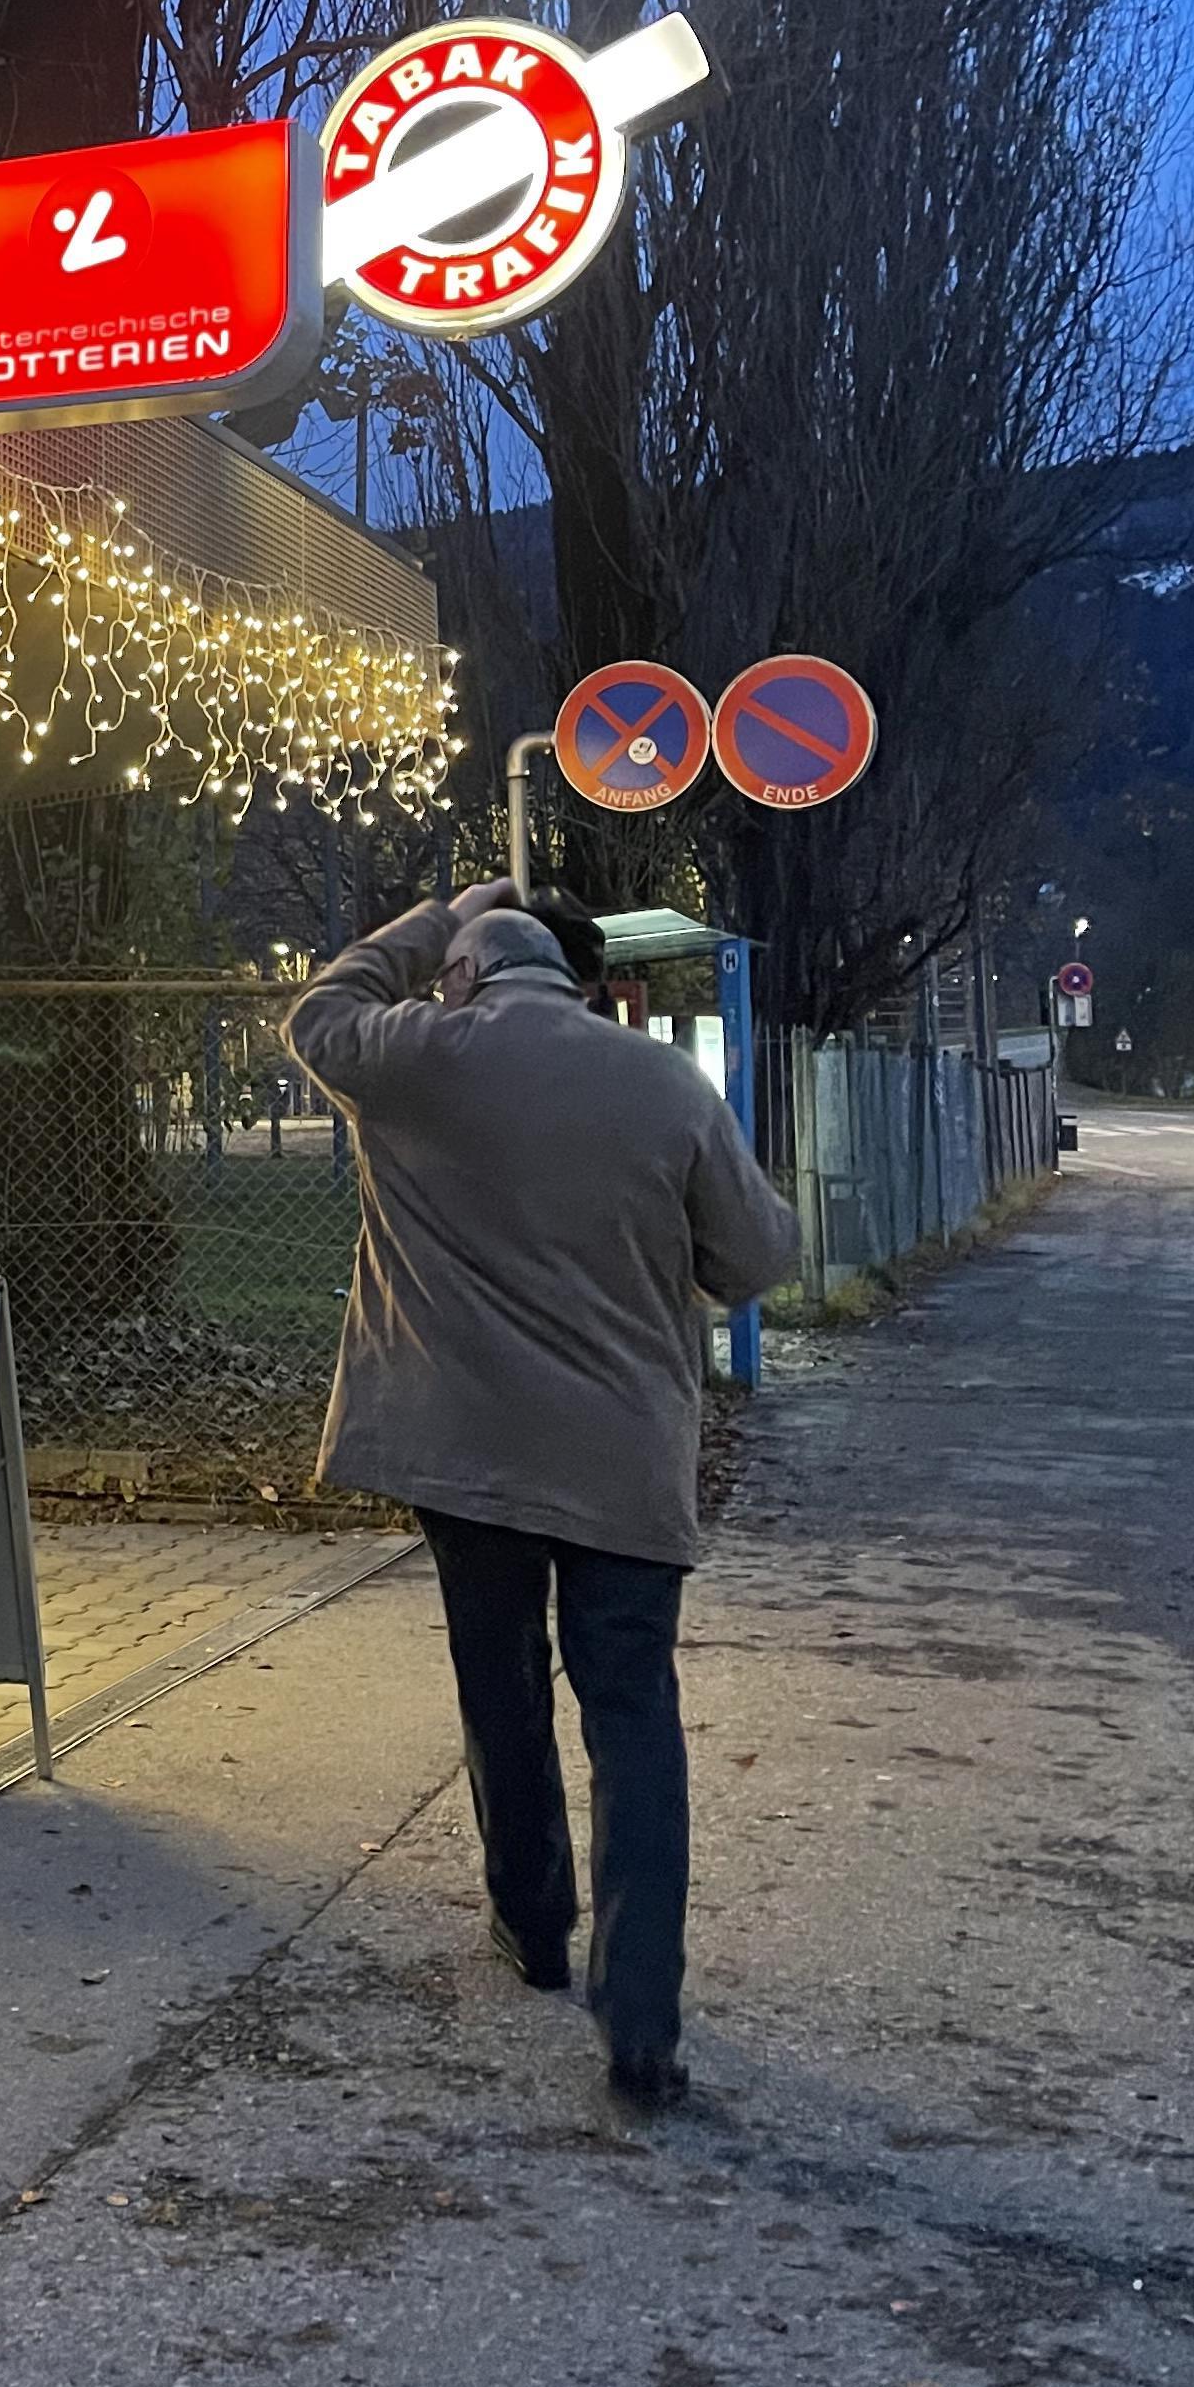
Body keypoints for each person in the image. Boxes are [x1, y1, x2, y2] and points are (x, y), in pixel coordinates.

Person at [286, 881, 798, 2107]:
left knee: (501, 1685)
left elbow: (320, 1010)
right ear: (581, 986)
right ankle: (640, 2021)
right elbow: (757, 1260)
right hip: (624, 1459)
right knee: (633, 1714)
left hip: (469, 1456)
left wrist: (439, 912)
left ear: (459, 978)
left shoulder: (414, 1059)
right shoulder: (662, 1085)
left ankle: (531, 1926)